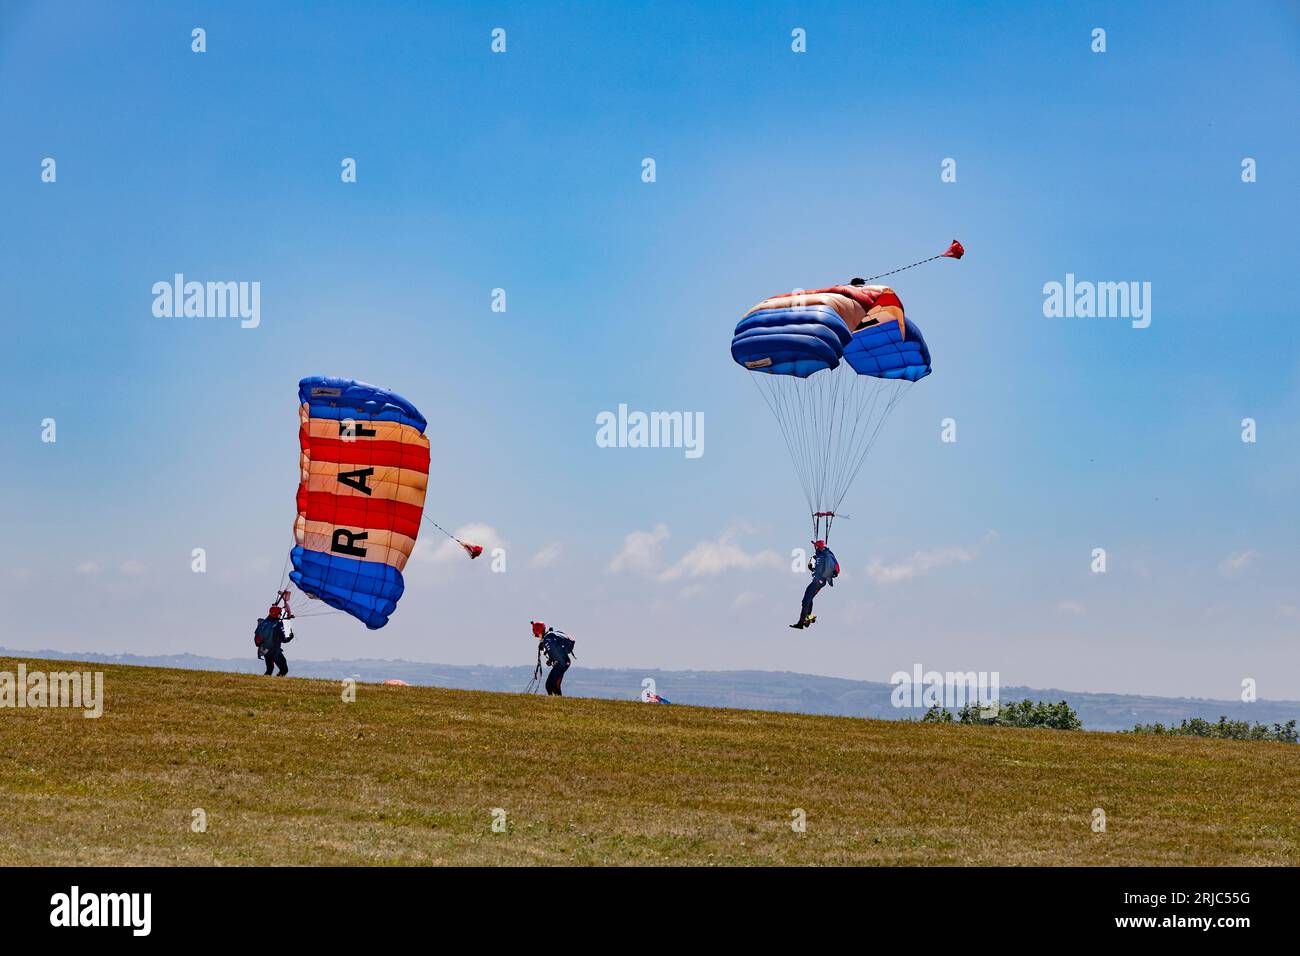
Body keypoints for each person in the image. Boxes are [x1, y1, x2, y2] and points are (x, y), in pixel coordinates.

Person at [791, 540, 838, 629]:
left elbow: (824, 569)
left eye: (815, 546)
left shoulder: (824, 556)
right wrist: (813, 569)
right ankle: (808, 617)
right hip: (818, 581)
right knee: (807, 598)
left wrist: (818, 574)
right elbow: (819, 568)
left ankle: (801, 623)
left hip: (818, 582)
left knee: (806, 601)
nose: (814, 548)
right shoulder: (823, 554)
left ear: (818, 547)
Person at [254, 591, 295, 676]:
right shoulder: (277, 625)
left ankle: (264, 684)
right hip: (274, 652)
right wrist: (290, 636)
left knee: (269, 669)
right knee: (284, 670)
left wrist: (281, 605)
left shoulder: (265, 622)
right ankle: (276, 684)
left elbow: (273, 613)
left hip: (264, 650)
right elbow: (284, 640)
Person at [531, 620, 575, 696]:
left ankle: (554, 703)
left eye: (536, 634)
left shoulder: (548, 640)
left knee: (549, 685)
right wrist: (551, 659)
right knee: (555, 686)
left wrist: (556, 662)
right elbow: (557, 652)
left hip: (561, 664)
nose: (536, 636)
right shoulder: (550, 637)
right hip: (564, 662)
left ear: (538, 631)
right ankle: (559, 702)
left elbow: (556, 654)